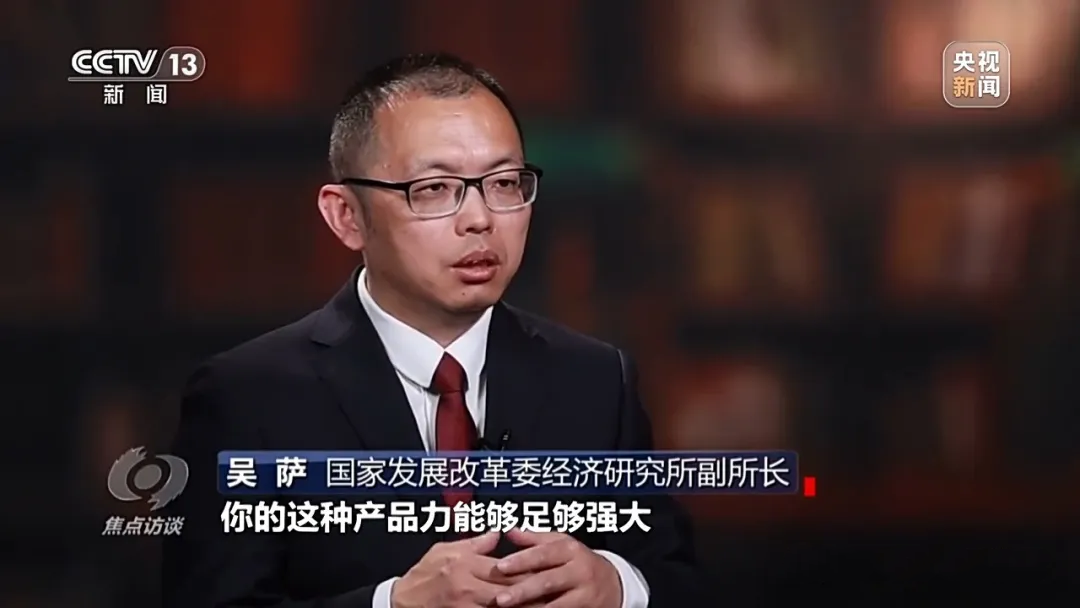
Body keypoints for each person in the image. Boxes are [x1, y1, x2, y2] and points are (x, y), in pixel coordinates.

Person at [162, 52, 703, 608]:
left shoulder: (596, 379)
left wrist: (618, 585)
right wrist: (392, 603)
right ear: (347, 216)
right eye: (434, 189)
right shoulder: (247, 395)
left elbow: (676, 579)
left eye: (504, 183)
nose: (480, 219)